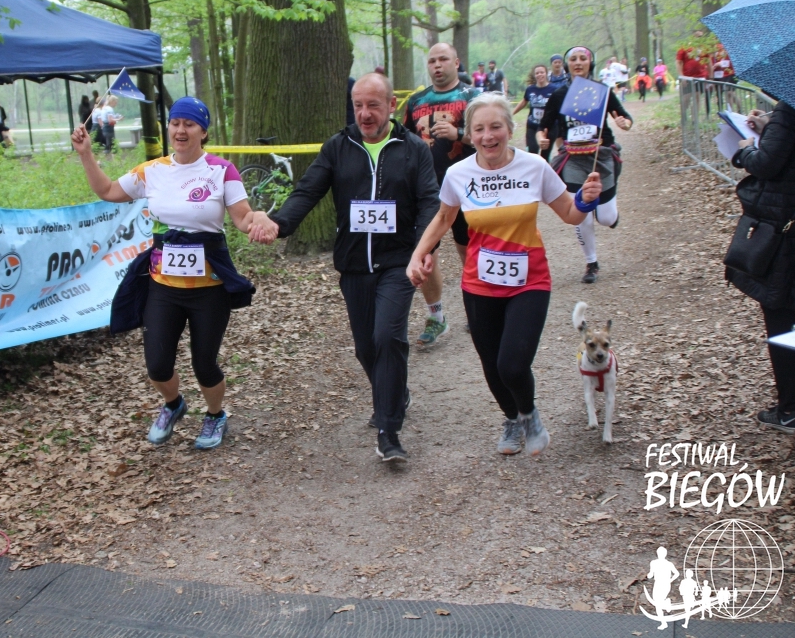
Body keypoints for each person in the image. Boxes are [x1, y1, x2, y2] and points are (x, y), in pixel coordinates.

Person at [250, 73, 440, 462]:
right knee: (366, 347)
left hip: (398, 262)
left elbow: (429, 202)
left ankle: (388, 431)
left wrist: (424, 248)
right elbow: (308, 190)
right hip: (354, 264)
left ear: (392, 105)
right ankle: (396, 392)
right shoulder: (338, 147)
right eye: (358, 106)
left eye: (373, 105)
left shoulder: (413, 149)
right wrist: (279, 223)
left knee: (388, 337)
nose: (365, 114)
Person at [406, 93, 602, 456]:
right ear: (470, 134)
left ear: (510, 130)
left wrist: (586, 200)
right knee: (492, 365)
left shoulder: (534, 166)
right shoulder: (458, 174)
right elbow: (444, 218)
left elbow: (570, 214)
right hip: (479, 284)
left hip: (530, 280)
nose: (488, 136)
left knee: (512, 364)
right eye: (479, 129)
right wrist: (418, 255)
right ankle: (512, 418)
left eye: (495, 127)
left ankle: (529, 415)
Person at [70, 96, 266, 450]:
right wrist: (86, 154)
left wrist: (260, 219)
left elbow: (242, 217)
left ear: (203, 132)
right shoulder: (153, 170)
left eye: (189, 124)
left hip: (209, 288)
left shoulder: (222, 171)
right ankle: (174, 404)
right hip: (163, 286)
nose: (180, 130)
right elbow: (108, 190)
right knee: (157, 365)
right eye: (175, 123)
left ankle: (215, 415)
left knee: (205, 365)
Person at [403, 43, 480, 345]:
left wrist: (458, 134)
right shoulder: (416, 101)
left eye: (443, 59)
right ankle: (436, 317)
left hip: (466, 187)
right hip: (426, 190)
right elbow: (404, 141)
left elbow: (490, 138)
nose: (437, 65)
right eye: (432, 60)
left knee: (468, 249)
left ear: (456, 62)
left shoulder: (472, 97)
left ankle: (478, 306)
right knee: (426, 252)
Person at [728, 100, 795, 434]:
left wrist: (745, 150)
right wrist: (772, 126)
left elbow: (767, 163)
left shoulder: (791, 106)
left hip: (786, 228)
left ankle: (791, 409)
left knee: (782, 316)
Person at [538, 46, 633, 284]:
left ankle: (610, 215)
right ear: (567, 64)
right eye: (573, 59)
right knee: (581, 214)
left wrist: (625, 123)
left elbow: (623, 116)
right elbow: (544, 126)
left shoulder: (602, 90)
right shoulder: (560, 94)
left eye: (583, 58)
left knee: (606, 218)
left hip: (601, 156)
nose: (578, 62)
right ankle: (591, 263)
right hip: (573, 158)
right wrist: (541, 139)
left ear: (591, 63)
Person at [512, 64, 556, 158]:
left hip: (549, 127)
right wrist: (511, 113)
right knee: (532, 151)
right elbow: (524, 102)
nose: (539, 75)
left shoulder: (554, 89)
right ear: (534, 75)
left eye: (542, 72)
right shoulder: (530, 89)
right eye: (537, 73)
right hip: (533, 125)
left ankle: (545, 167)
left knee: (545, 154)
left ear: (546, 73)